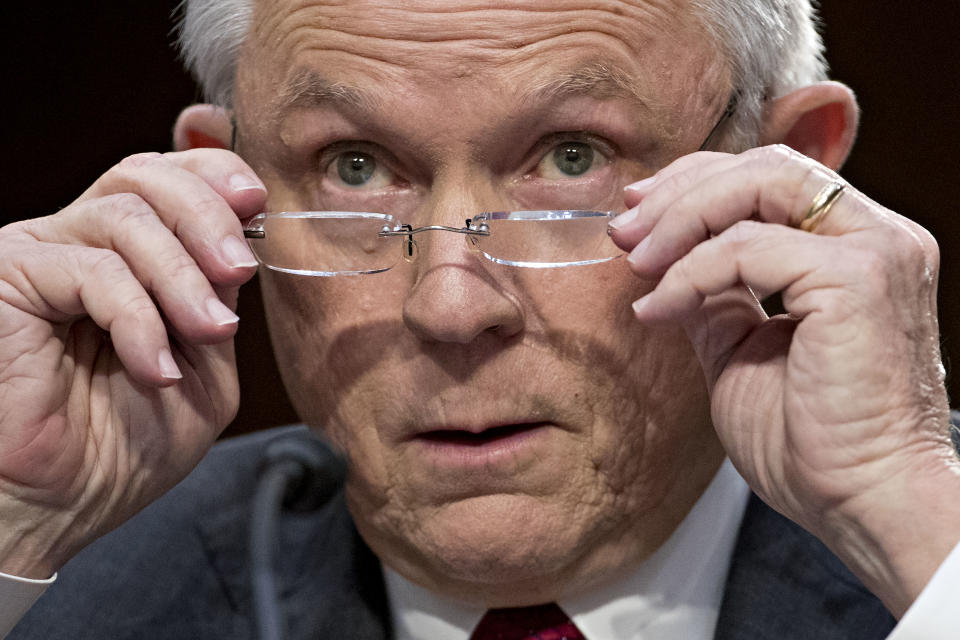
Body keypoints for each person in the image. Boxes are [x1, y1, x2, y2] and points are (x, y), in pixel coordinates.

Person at [0, 0, 958, 638]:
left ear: (792, 171)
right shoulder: (75, 589)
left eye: (573, 157)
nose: (452, 305)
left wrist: (907, 517)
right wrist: (15, 524)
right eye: (356, 168)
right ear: (219, 193)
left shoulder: (932, 555)